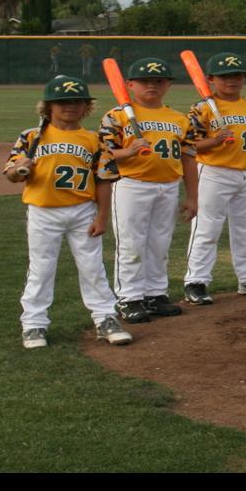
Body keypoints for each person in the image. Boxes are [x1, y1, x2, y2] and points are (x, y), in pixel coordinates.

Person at [5, 75, 131, 348]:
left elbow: (103, 180)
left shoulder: (94, 140)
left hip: (82, 211)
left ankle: (105, 318)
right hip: (43, 212)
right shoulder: (30, 137)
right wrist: (19, 168)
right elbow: (12, 174)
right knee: (41, 268)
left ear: (86, 107)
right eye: (62, 102)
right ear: (48, 106)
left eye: (77, 101)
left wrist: (101, 216)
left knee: (92, 267)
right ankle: (34, 324)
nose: (70, 106)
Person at [99, 56, 196, 324]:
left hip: (168, 186)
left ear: (168, 85)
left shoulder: (179, 118)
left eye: (158, 81)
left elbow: (188, 158)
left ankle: (155, 294)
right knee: (132, 244)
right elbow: (101, 154)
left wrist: (192, 197)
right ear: (130, 84)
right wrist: (127, 152)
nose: (151, 86)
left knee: (159, 243)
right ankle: (129, 298)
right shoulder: (117, 116)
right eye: (144, 81)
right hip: (132, 185)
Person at [180, 52, 246, 303]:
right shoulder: (202, 109)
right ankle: (196, 281)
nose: (231, 80)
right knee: (206, 228)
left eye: (237, 75)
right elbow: (188, 146)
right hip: (214, 173)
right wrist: (214, 140)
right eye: (225, 76)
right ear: (211, 79)